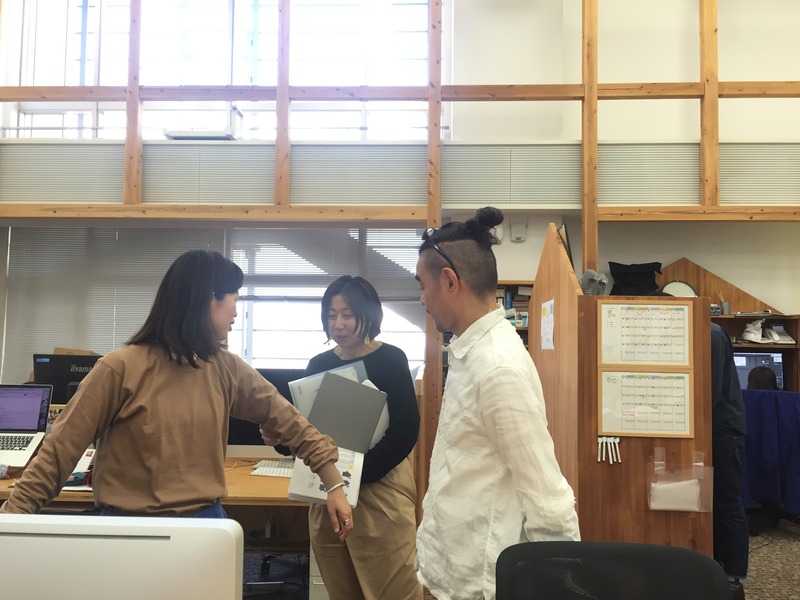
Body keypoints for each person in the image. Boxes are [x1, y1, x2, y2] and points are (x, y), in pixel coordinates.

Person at [0, 250, 353, 542]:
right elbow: (59, 452)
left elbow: (289, 421)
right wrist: (11, 521)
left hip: (205, 527)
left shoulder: (225, 367)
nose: (237, 309)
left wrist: (333, 482)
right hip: (126, 531)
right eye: (233, 297)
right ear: (208, 299)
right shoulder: (120, 368)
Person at [414, 207, 580, 600]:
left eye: (423, 285)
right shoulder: (470, 351)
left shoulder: (497, 366)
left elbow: (546, 496)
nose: (422, 299)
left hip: (479, 583)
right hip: (451, 568)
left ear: (449, 281)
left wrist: (566, 586)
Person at [261, 275, 422, 600]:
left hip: (380, 493)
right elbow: (305, 434)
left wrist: (355, 474)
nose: (338, 324)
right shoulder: (318, 364)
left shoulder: (391, 359)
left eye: (347, 314)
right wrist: (279, 439)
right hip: (327, 495)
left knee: (394, 590)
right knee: (341, 589)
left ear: (368, 314)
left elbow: (405, 431)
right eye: (331, 315)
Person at [710, 322, 749, 600]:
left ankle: (734, 577)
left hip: (723, 430)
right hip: (712, 427)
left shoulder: (710, 333)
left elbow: (709, 392)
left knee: (727, 501)